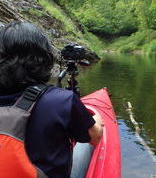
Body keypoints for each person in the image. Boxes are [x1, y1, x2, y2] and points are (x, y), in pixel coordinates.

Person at [0, 21, 103, 177]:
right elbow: (95, 138)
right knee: (88, 142)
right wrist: (97, 119)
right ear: (44, 57)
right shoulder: (61, 100)